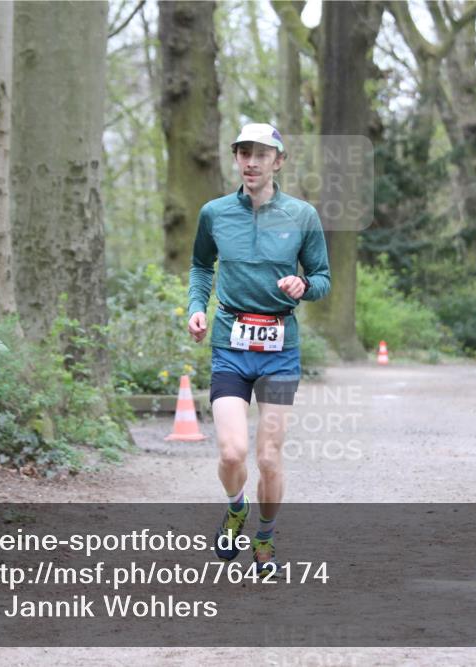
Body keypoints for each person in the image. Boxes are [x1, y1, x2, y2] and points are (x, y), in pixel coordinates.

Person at [186, 122, 331, 574]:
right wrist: (197, 307)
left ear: (278, 162)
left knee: (268, 456)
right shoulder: (214, 213)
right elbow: (200, 266)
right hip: (231, 344)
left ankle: (265, 537)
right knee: (231, 453)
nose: (251, 161)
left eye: (261, 154)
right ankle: (235, 509)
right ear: (236, 159)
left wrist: (303, 284)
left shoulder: (302, 216)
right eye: (244, 153)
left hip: (279, 349)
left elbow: (324, 280)